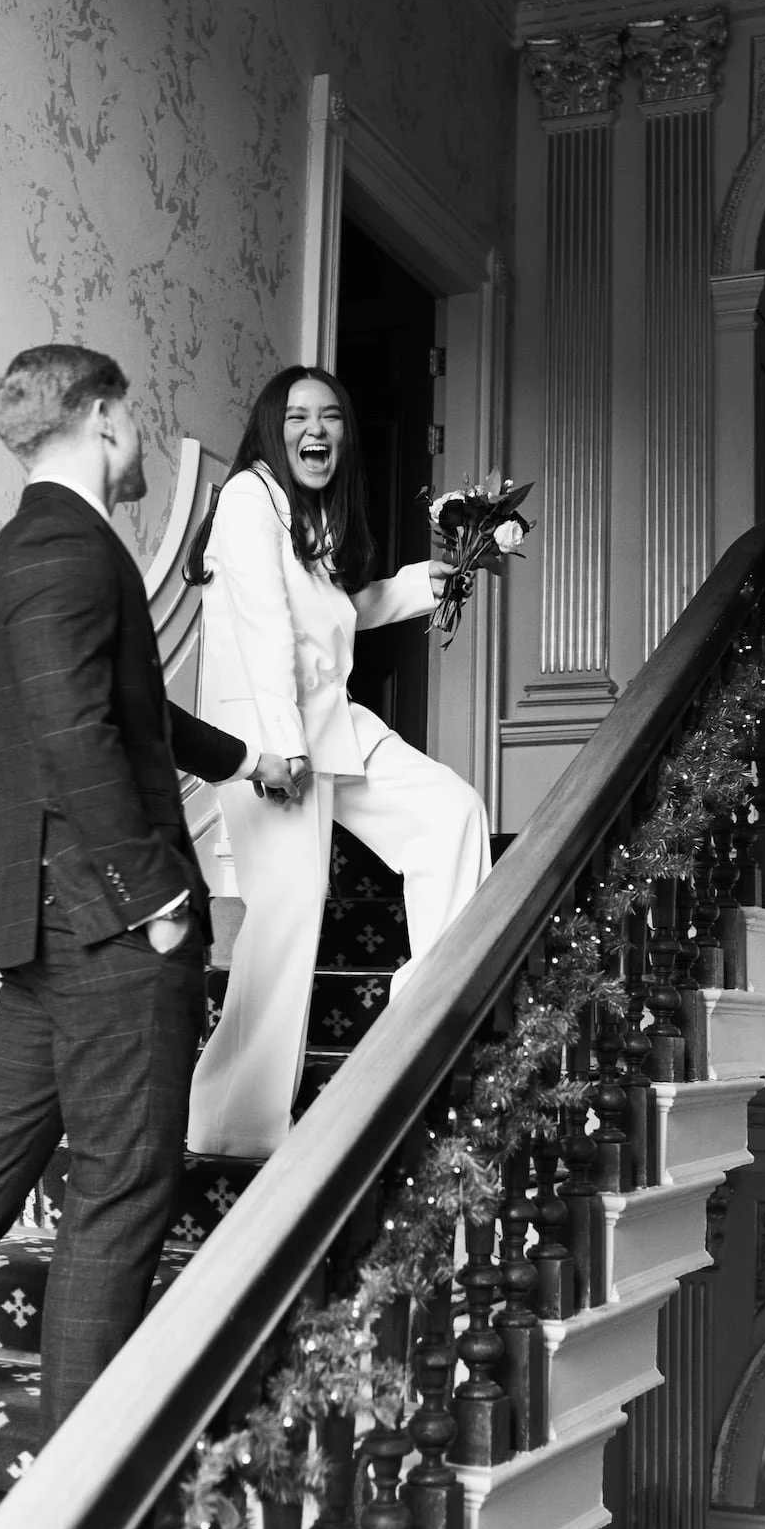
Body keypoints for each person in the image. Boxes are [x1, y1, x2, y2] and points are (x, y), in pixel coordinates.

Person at [0, 345, 297, 1529]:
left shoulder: (16, 560)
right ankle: (74, 1526)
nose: (140, 437)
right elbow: (80, 738)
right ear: (99, 416)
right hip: (110, 929)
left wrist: (242, 757)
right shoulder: (71, 553)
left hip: (47, 928)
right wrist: (157, 898)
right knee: (119, 1194)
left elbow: (121, 712)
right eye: (131, 415)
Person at [185, 364, 491, 1161]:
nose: (315, 431)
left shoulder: (305, 520)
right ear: (269, 427)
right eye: (296, 417)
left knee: (447, 814)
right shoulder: (250, 499)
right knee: (286, 919)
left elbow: (330, 618)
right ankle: (231, 1134)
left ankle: (424, 1020)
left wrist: (417, 586)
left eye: (330, 417)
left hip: (330, 725)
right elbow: (260, 629)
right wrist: (278, 751)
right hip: (269, 738)